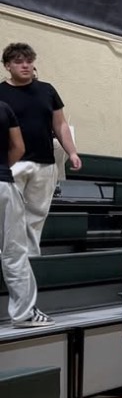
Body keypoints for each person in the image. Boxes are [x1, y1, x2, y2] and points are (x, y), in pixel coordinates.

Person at [0, 43, 81, 255]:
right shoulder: (1, 92)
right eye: (19, 62)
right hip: (11, 164)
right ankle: (7, 259)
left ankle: (30, 260)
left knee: (35, 218)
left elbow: (60, 124)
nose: (25, 65)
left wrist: (72, 152)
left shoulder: (47, 90)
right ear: (7, 66)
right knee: (8, 216)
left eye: (29, 61)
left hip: (44, 164)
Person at [1, 103, 53, 328]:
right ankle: (24, 314)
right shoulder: (4, 109)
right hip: (2, 183)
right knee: (14, 250)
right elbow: (19, 148)